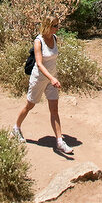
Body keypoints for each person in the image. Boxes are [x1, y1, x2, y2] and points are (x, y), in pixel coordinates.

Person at [12, 15, 74, 155]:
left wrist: (53, 78)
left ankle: (59, 141)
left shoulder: (55, 38)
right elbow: (39, 64)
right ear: (47, 26)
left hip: (52, 79)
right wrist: (52, 78)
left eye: (58, 25)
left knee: (54, 110)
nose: (57, 28)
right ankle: (16, 127)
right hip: (39, 78)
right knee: (30, 105)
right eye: (55, 26)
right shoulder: (38, 42)